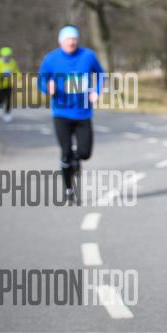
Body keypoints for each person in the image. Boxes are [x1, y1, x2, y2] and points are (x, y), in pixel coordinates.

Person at [38, 25, 104, 205]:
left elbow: (100, 74)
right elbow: (42, 79)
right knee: (65, 152)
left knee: (85, 153)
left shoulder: (88, 56)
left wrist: (96, 91)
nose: (71, 42)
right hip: (62, 113)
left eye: (74, 39)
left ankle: (75, 161)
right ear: (61, 41)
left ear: (78, 40)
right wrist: (47, 87)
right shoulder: (51, 59)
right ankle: (69, 189)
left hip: (83, 112)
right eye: (68, 39)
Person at [0, 46, 19, 122]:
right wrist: (1, 76)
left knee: (8, 99)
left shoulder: (12, 62)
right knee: (1, 100)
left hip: (8, 85)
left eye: (8, 55)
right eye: (5, 56)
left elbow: (15, 71)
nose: (7, 57)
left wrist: (18, 76)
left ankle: (7, 114)